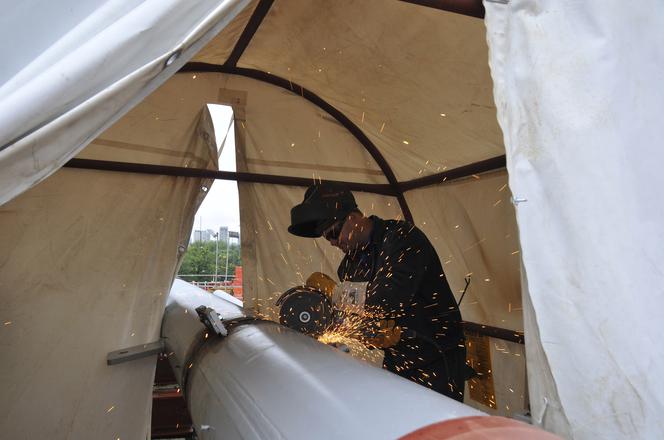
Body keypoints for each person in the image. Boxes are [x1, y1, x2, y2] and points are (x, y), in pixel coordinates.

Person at [288, 183, 470, 401]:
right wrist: (367, 334)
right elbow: (360, 315)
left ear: (354, 217)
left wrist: (335, 293)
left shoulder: (403, 238)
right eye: (329, 238)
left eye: (335, 232)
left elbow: (384, 300)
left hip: (438, 358)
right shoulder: (349, 266)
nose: (335, 243)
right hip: (398, 359)